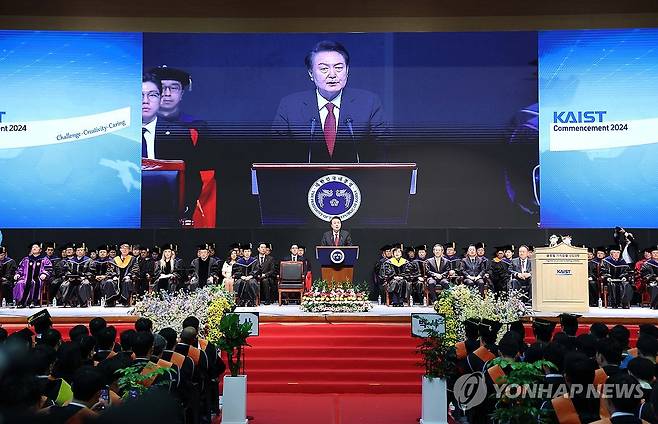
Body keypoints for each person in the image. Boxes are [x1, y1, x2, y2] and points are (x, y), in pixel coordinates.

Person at [272, 40, 386, 163]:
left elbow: (384, 150)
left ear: (347, 71)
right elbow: (275, 152)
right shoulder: (290, 106)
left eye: (338, 68)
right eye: (324, 69)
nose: (332, 74)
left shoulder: (369, 102)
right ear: (311, 73)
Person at [141, 72, 202, 226]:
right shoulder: (117, 135)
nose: (145, 101)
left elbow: (193, 179)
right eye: (139, 95)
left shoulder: (178, 134)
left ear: (160, 99)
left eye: (152, 95)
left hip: (167, 215)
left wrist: (183, 212)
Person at [14, 243, 53, 307]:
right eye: (33, 247)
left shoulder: (44, 259)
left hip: (38, 278)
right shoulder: (26, 259)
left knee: (34, 282)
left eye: (36, 247)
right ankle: (22, 302)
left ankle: (33, 301)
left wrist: (44, 274)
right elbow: (20, 268)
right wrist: (18, 274)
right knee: (20, 283)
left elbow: (48, 269)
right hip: (25, 278)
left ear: (40, 250)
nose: (34, 248)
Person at [58, 243, 93, 307]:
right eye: (78, 250)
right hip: (72, 279)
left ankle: (83, 302)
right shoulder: (70, 261)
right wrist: (69, 276)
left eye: (81, 250)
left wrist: (84, 276)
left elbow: (91, 271)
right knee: (65, 285)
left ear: (84, 251)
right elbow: (66, 270)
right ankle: (66, 302)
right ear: (75, 252)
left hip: (83, 278)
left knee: (85, 284)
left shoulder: (89, 260)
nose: (80, 252)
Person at [640, 245, 658, 309]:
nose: (656, 254)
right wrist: (654, 278)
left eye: (657, 253)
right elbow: (643, 274)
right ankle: (655, 305)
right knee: (654, 287)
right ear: (651, 254)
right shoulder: (647, 264)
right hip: (652, 282)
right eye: (654, 253)